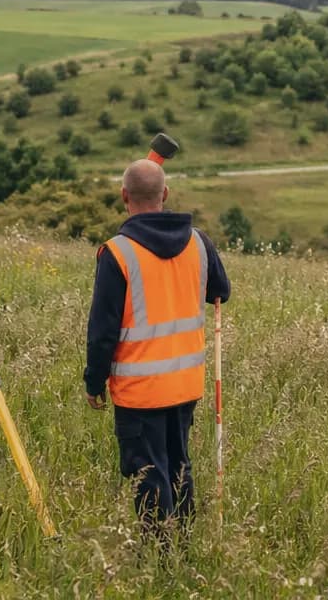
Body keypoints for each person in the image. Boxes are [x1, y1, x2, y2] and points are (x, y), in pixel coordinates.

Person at [85, 159, 230, 537]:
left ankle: (161, 557)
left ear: (123, 197)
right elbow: (221, 291)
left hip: (140, 391)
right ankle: (183, 540)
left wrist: (93, 381)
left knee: (148, 473)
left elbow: (102, 330)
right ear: (165, 194)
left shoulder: (117, 253)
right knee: (179, 464)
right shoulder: (200, 242)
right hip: (184, 385)